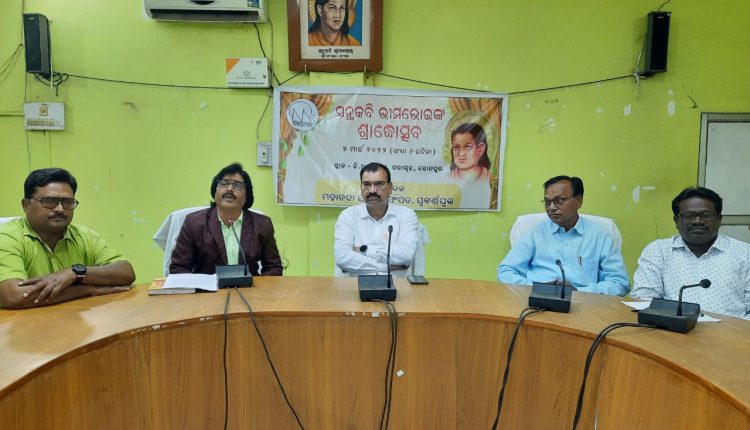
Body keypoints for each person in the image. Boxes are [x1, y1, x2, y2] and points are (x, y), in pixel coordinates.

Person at [0, 168, 135, 309]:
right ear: (26, 205)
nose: (60, 209)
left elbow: (126, 272)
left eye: (68, 202)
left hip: (70, 317)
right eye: (49, 201)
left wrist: (75, 272)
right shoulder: (7, 237)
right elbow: (14, 296)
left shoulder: (84, 235)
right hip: (20, 321)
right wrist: (84, 290)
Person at [497, 175, 629, 296]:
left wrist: (579, 292)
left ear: (578, 201)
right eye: (547, 202)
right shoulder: (536, 232)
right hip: (538, 299)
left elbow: (619, 283)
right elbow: (506, 271)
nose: (551, 208)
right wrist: (538, 289)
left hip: (584, 303)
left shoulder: (599, 235)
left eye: (559, 200)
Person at [631, 187, 750, 319]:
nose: (697, 221)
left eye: (706, 215)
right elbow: (644, 298)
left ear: (719, 219)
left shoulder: (745, 253)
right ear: (676, 221)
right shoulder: (658, 251)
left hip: (732, 330)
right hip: (672, 328)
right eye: (689, 216)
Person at [170, 163, 283, 276]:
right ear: (215, 192)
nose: (229, 189)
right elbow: (179, 268)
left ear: (247, 196)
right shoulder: (194, 223)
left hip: (249, 286)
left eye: (237, 185)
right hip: (208, 287)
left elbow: (273, 267)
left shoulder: (262, 224)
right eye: (223, 183)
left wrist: (260, 286)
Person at [334, 162, 418, 276]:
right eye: (366, 184)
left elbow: (406, 255)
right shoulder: (348, 216)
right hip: (355, 285)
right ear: (361, 187)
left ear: (390, 188)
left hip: (396, 285)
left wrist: (365, 250)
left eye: (379, 184)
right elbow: (342, 257)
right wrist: (386, 267)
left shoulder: (406, 215)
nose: (372, 190)